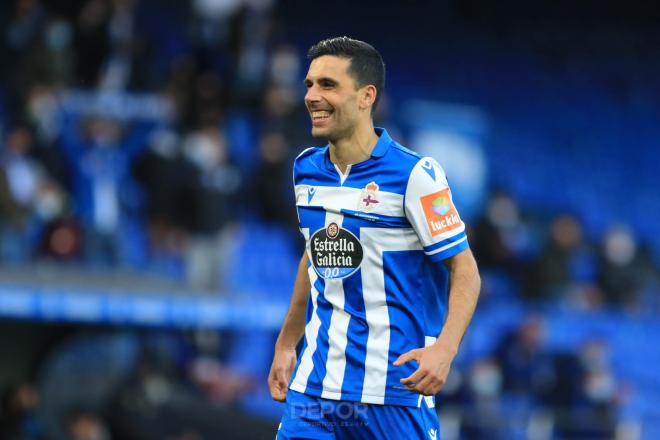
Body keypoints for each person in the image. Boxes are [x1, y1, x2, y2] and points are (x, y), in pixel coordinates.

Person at [268, 37, 481, 439]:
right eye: (309, 85)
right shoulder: (305, 170)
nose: (312, 96)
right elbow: (315, 257)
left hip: (393, 392)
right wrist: (285, 344)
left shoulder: (415, 175)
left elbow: (465, 269)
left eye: (327, 85)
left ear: (367, 96)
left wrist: (445, 350)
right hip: (313, 390)